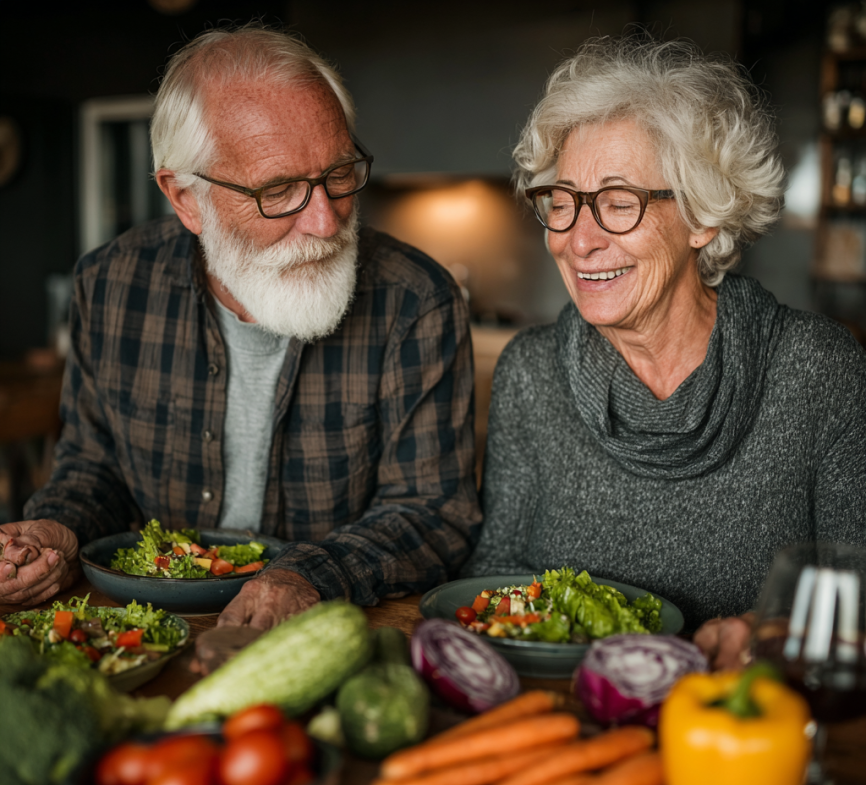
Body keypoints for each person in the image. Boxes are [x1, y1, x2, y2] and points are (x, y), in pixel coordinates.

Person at [0, 25, 481, 630]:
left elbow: (433, 511)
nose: (326, 221)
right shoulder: (110, 284)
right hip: (141, 623)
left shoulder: (416, 300)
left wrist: (308, 575)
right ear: (186, 199)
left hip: (324, 631)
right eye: (278, 190)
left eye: (339, 174)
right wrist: (57, 530)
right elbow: (93, 467)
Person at [464, 36, 866, 668]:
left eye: (619, 204)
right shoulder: (530, 371)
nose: (579, 241)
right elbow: (493, 579)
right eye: (562, 204)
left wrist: (772, 635)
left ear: (704, 217)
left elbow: (855, 594)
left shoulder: (818, 369)